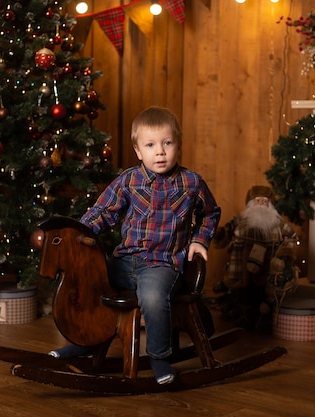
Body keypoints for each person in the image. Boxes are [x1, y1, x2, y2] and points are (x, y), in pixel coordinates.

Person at [49, 106, 221, 385]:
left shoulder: (191, 183)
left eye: (167, 143)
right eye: (151, 145)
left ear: (178, 144)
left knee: (152, 297)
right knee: (89, 281)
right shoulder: (128, 180)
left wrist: (200, 239)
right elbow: (103, 212)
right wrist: (79, 234)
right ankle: (85, 341)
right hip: (126, 260)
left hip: (162, 264)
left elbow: (210, 212)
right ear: (138, 150)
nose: (160, 152)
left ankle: (158, 356)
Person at [213, 185, 298, 330]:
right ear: (251, 203)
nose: (261, 204)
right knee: (243, 293)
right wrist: (220, 233)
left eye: (265, 201)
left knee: (263, 294)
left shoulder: (278, 224)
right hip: (241, 267)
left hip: (267, 267)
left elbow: (292, 237)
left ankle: (263, 320)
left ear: (270, 204)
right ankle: (245, 318)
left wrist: (286, 251)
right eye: (257, 200)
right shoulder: (240, 220)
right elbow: (226, 232)